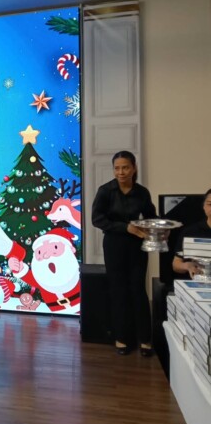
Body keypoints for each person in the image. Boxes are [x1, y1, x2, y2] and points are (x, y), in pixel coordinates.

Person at [92, 150, 156, 357]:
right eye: (117, 168)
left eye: (125, 167)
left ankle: (144, 339)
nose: (121, 172)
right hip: (114, 244)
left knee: (138, 289)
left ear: (134, 168)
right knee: (118, 290)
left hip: (137, 246)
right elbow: (97, 219)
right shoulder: (105, 191)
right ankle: (122, 338)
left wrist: (156, 229)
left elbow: (151, 216)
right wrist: (125, 227)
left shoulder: (142, 192)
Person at [172, 188, 211, 279]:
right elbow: (176, 264)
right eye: (210, 204)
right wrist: (187, 266)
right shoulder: (190, 231)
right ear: (204, 206)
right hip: (199, 282)